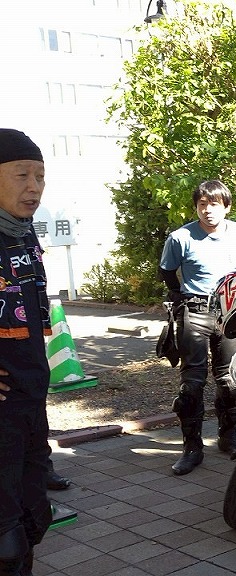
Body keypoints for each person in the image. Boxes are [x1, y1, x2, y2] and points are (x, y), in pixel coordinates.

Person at [159, 180, 236, 475]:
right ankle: (192, 448)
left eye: (214, 204)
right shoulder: (180, 237)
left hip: (229, 312)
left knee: (230, 381)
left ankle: (228, 435)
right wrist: (180, 296)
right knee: (192, 384)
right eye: (202, 204)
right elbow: (166, 271)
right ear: (195, 207)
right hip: (195, 311)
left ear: (226, 207)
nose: (207, 210)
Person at [0, 128, 53, 575]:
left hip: (31, 398)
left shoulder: (23, 231)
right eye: (22, 175)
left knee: (35, 517)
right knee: (6, 537)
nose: (34, 187)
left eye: (40, 176)